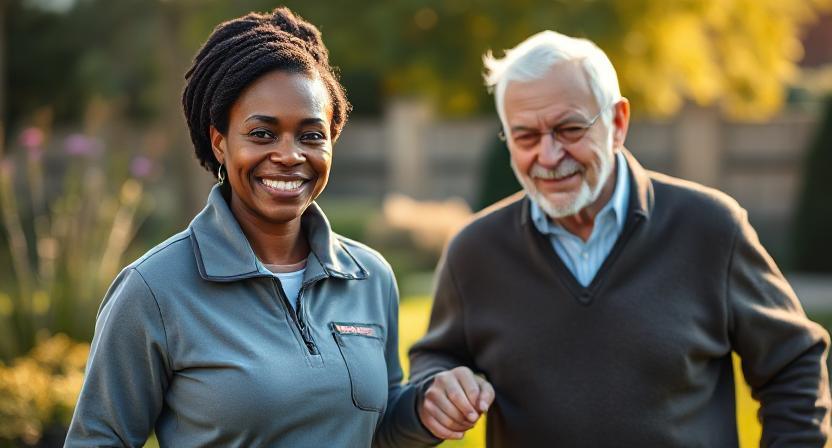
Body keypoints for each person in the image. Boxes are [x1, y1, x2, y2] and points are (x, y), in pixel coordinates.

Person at [409, 30, 831, 446]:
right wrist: (437, 387)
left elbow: (793, 365)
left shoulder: (711, 228)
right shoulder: (475, 251)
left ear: (617, 122)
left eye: (570, 129)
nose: (549, 155)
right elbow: (436, 356)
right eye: (526, 136)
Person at [65, 8, 438, 447]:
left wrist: (425, 412)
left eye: (311, 135)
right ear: (220, 142)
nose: (289, 155)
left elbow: (377, 430)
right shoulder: (153, 290)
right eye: (262, 134)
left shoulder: (370, 277)